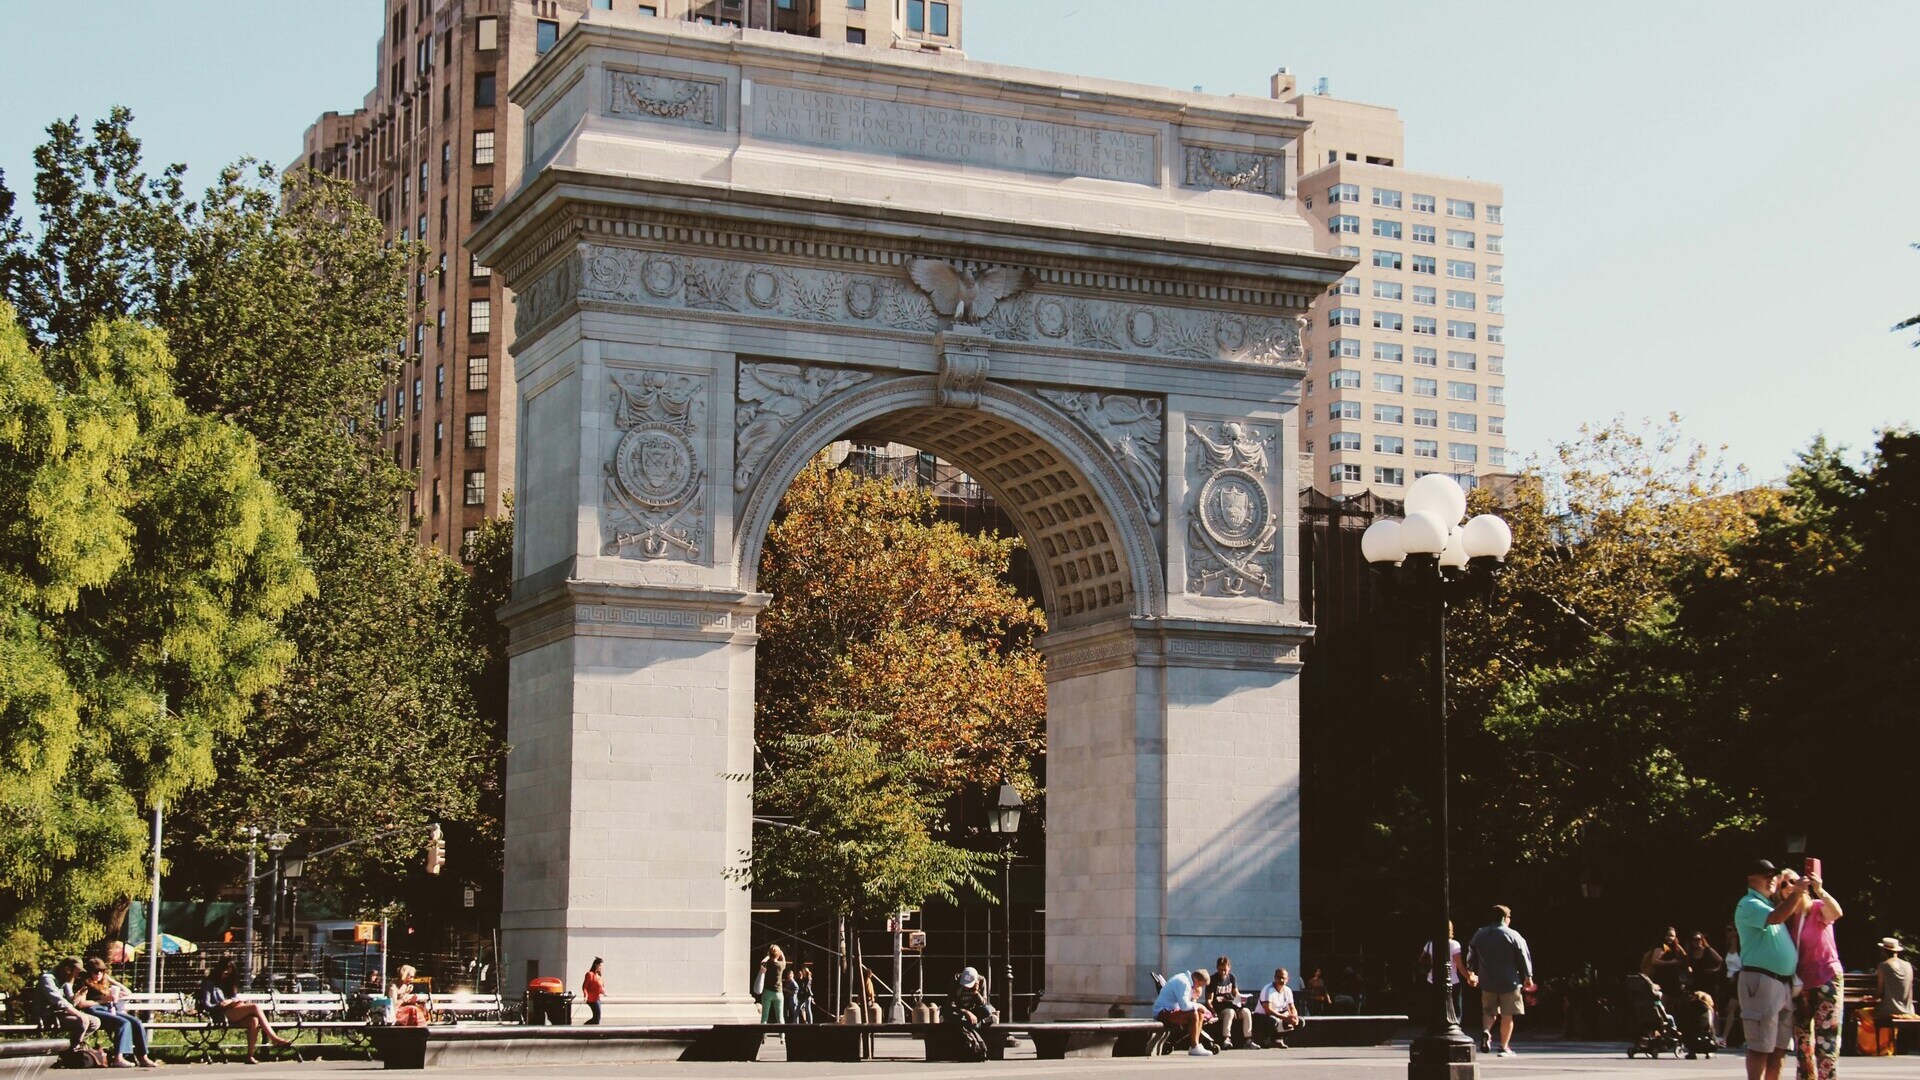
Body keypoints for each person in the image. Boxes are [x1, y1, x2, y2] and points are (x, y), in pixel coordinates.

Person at [1734, 858, 1806, 1080]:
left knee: (1778, 1048)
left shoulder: (1766, 905)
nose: (1771, 880)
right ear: (1750, 878)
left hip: (1781, 983)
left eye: (1774, 876)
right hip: (1761, 980)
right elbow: (1776, 917)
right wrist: (1797, 893)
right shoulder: (1749, 904)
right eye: (1766, 875)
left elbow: (1780, 914)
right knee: (1760, 1046)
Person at [1785, 866, 1844, 1080]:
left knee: (1825, 1041)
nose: (1790, 886)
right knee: (1802, 1043)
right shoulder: (1785, 920)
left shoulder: (1817, 908)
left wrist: (1820, 890)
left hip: (1826, 978)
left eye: (1793, 881)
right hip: (1800, 984)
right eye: (1784, 884)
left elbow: (1836, 913)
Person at [1467, 904, 1534, 1057]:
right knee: (1507, 1014)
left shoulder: (1480, 934)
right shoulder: (1513, 935)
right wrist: (1528, 976)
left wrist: (1471, 971)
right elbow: (1523, 956)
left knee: (1489, 1011)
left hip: (1487, 979)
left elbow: (1471, 953)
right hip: (1509, 981)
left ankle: (1486, 1031)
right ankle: (1504, 1047)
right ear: (1505, 918)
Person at [197, 959, 295, 1063]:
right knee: (255, 1007)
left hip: (232, 1010)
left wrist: (235, 1001)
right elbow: (207, 1005)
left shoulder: (228, 983)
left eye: (229, 973)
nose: (227, 975)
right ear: (219, 969)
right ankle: (274, 1038)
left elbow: (234, 997)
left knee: (254, 1021)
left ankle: (250, 1056)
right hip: (220, 1013)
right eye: (225, 971)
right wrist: (220, 1005)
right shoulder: (209, 983)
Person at [75, 958, 159, 1068]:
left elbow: (128, 992)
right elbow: (81, 1004)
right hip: (94, 1010)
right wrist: (102, 1001)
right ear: (90, 972)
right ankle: (118, 1058)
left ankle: (143, 1057)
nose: (99, 974)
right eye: (96, 972)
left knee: (136, 1022)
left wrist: (110, 980)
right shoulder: (85, 984)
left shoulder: (104, 983)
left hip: (109, 1009)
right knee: (123, 1023)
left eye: (102, 971)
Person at [32, 958, 100, 1048]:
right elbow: (60, 1002)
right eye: (76, 972)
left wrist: (79, 995)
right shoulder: (48, 979)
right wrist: (79, 1014)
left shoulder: (65, 979)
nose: (77, 975)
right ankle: (73, 1050)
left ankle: (72, 1045)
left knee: (95, 1022)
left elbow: (71, 1002)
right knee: (83, 1021)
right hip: (47, 1015)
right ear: (68, 969)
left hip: (61, 1014)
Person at [1420, 921, 1476, 1024]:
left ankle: (1435, 1027)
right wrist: (1470, 977)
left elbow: (1421, 959)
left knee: (1435, 1008)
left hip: (1432, 980)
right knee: (1456, 1010)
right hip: (1452, 982)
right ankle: (1455, 1026)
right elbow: (1460, 966)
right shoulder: (1454, 944)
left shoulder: (1429, 944)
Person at [1152, 969, 1214, 1057]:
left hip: (1171, 1009)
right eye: (1201, 985)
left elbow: (1185, 1005)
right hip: (1162, 1011)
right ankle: (1194, 1046)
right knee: (1193, 1015)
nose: (1200, 987)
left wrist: (1196, 1003)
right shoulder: (1184, 983)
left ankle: (1196, 1045)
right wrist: (1199, 1005)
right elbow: (1185, 1006)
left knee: (1199, 1013)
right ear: (1196, 980)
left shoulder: (1186, 980)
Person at [1205, 956, 1252, 1050]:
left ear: (1229, 968)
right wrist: (1213, 1012)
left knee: (1246, 1011)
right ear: (1217, 968)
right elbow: (1209, 1000)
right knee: (1229, 1012)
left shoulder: (1231, 977)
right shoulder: (1213, 980)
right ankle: (1226, 1038)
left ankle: (1248, 1040)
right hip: (1220, 1009)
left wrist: (1241, 999)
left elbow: (1236, 993)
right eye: (1220, 969)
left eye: (1225, 970)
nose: (1223, 972)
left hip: (1233, 1005)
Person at [1876, 937, 1915, 1050]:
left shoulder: (1883, 966)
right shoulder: (1908, 966)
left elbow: (1879, 992)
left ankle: (1874, 1048)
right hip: (1908, 1009)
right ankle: (1890, 1046)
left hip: (1889, 1010)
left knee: (1861, 1014)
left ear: (1883, 951)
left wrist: (1870, 998)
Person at [1253, 967, 1303, 1049]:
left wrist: (1294, 1017)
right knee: (1274, 1020)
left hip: (1280, 1015)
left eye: (1283, 978)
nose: (1281, 980)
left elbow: (1292, 1006)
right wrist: (1285, 1018)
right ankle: (1265, 1039)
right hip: (1262, 1017)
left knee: (1301, 1022)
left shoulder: (1288, 990)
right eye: (1279, 977)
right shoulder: (1268, 989)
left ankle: (1278, 1038)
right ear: (1275, 978)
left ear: (1287, 979)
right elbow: (1268, 1010)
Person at [1641, 927, 1690, 999]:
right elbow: (1654, 961)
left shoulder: (1674, 946)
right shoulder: (1661, 947)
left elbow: (1684, 957)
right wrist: (1672, 962)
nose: (1670, 938)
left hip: (1673, 979)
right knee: (1665, 1000)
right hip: (1663, 979)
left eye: (1672, 936)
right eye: (1667, 935)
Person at [1720, 924, 1745, 1047]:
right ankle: (1747, 1039)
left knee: (1731, 1008)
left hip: (1739, 981)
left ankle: (1724, 1038)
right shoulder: (1726, 947)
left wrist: (1736, 975)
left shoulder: (1742, 948)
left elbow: (1745, 964)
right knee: (1739, 1012)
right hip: (1728, 981)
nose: (1729, 932)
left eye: (1732, 930)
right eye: (1728, 930)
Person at [756, 945, 787, 1024]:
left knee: (764, 1017)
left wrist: (768, 956)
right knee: (780, 1017)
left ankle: (764, 1035)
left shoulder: (767, 964)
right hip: (779, 993)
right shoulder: (781, 965)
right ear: (778, 954)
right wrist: (782, 955)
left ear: (769, 953)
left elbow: (762, 962)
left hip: (767, 992)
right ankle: (782, 1035)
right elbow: (784, 962)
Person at [581, 958, 605, 1026]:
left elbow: (600, 987)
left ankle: (588, 1027)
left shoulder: (598, 976)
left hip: (597, 998)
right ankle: (585, 1026)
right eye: (600, 965)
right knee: (597, 1017)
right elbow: (585, 986)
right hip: (592, 999)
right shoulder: (590, 974)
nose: (601, 967)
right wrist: (585, 995)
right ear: (595, 965)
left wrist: (603, 992)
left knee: (597, 1017)